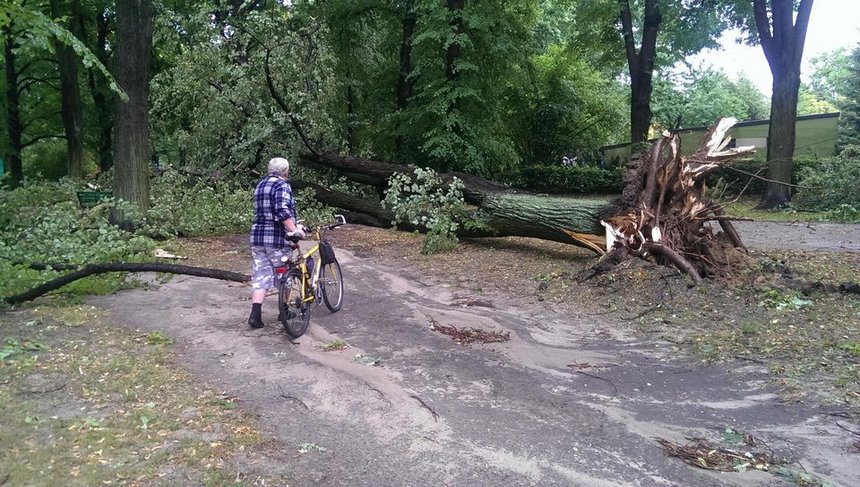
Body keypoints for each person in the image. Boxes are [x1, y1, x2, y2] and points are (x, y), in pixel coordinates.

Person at [248, 157, 304, 329]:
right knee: (284, 275)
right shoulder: (282, 185)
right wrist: (294, 230)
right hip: (276, 239)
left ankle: (255, 315)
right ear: (285, 171)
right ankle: (284, 311)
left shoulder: (260, 185)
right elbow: (281, 211)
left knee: (261, 275)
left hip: (257, 238)